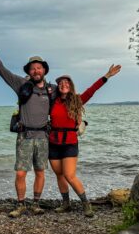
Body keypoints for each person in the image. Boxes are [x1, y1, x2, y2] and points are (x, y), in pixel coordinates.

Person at [0, 29, 57, 218]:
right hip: (24, 137)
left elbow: (71, 101)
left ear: (44, 70)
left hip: (43, 137)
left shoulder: (52, 89)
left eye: (39, 67)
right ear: (29, 72)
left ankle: (36, 204)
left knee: (40, 172)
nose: (36, 70)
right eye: (32, 68)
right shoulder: (20, 84)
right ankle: (21, 204)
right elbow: (2, 71)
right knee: (21, 174)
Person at [49, 65, 121, 217]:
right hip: (53, 143)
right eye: (61, 83)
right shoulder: (52, 102)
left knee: (69, 175)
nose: (63, 85)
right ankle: (66, 204)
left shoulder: (77, 100)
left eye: (66, 83)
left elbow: (92, 90)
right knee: (59, 175)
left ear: (71, 86)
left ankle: (86, 204)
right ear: (58, 87)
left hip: (69, 143)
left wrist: (106, 75)